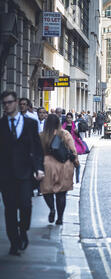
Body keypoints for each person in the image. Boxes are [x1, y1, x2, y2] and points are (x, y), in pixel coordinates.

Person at [0, 91, 44, 256]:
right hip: (6, 176)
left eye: (9, 102)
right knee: (10, 210)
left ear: (16, 102)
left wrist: (39, 168)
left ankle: (23, 229)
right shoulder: (1, 125)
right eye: (4, 103)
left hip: (25, 173)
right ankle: (14, 242)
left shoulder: (30, 124)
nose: (7, 106)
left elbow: (37, 149)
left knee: (26, 205)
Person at [40, 114, 79, 225]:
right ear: (59, 122)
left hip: (47, 165)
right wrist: (76, 163)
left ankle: (52, 208)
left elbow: (38, 153)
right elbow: (73, 150)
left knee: (47, 191)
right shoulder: (65, 134)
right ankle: (60, 218)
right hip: (64, 165)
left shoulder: (41, 136)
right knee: (61, 194)